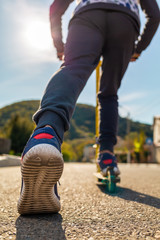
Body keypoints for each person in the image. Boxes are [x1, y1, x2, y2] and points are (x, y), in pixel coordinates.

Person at [17, 0, 160, 215]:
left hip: (87, 16)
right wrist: (138, 48)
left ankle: (46, 134)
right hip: (125, 20)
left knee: (72, 70)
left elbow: (56, 8)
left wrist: (60, 46)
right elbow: (154, 14)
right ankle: (107, 155)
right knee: (109, 93)